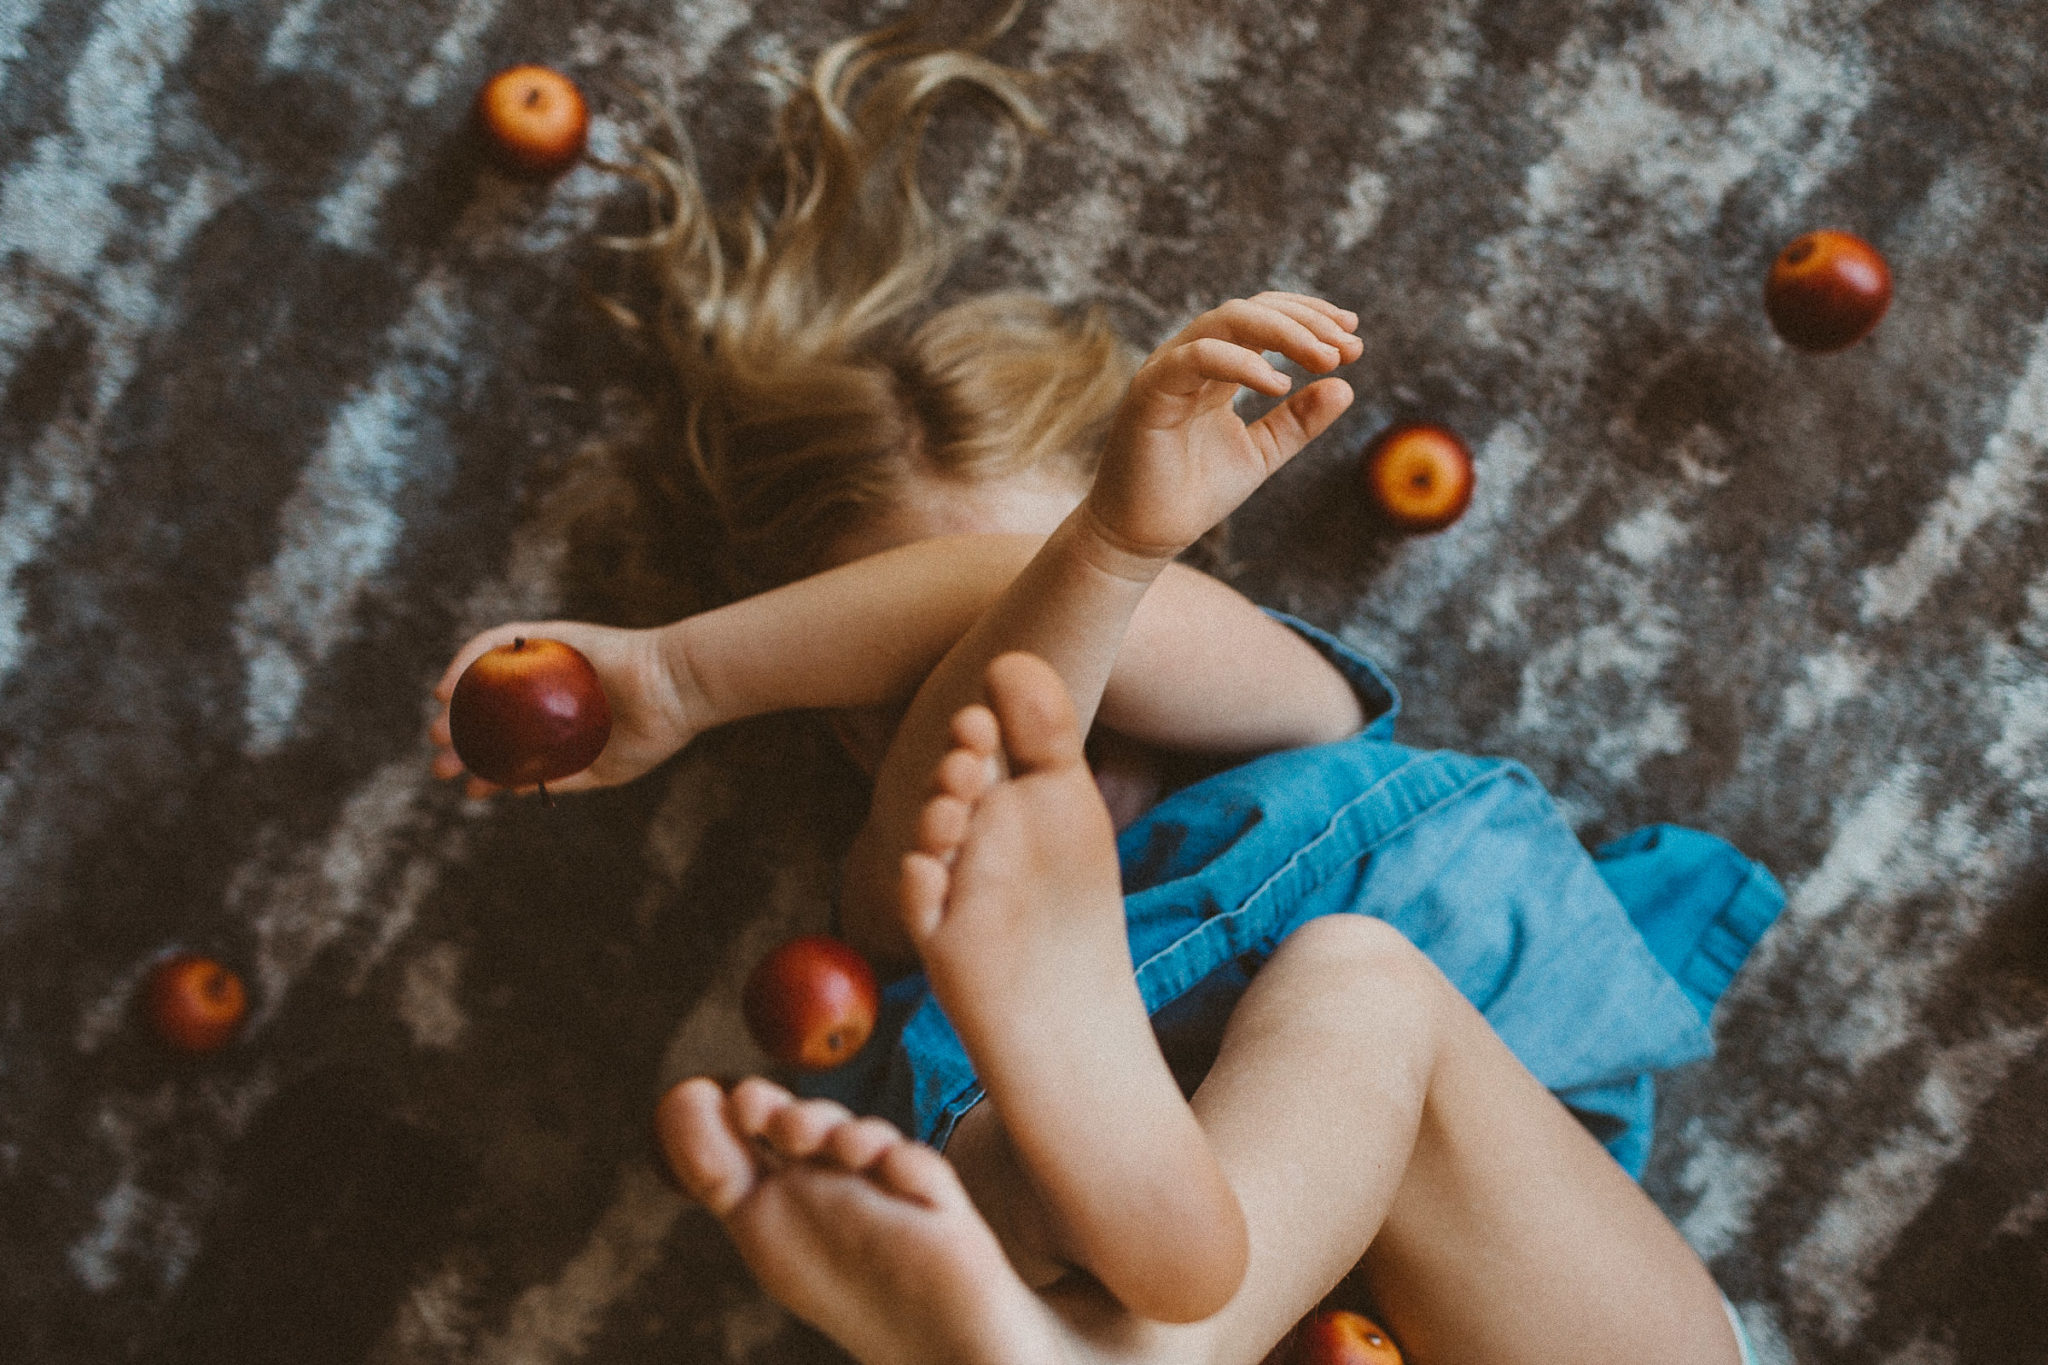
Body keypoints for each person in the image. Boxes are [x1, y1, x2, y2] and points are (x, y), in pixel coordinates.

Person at [429, 14, 1774, 1362]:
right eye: (909, 663)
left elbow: (1057, 627)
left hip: (1535, 1301)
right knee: (982, 1120)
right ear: (853, 725)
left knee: (1364, 987)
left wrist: (688, 670)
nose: (1036, 715)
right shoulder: (933, 892)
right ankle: (1100, 1220)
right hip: (1164, 1262)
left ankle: (1121, 1336)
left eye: (1053, 587)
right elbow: (981, 755)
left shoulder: (1284, 710)